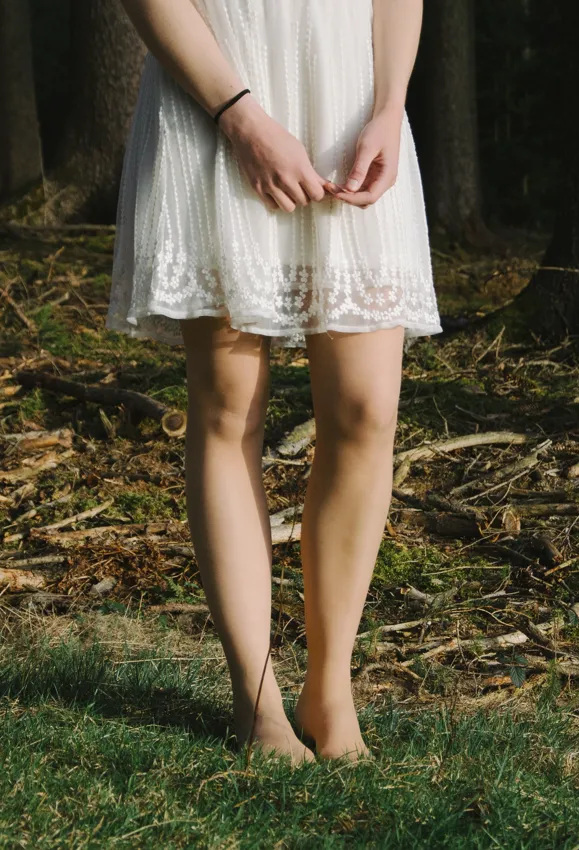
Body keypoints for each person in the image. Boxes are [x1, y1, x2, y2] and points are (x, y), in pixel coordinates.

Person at [110, 0, 441, 763]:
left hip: (351, 103)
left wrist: (390, 105)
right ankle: (255, 699)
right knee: (230, 407)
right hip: (221, 92)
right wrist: (239, 117)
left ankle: (329, 690)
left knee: (366, 411)